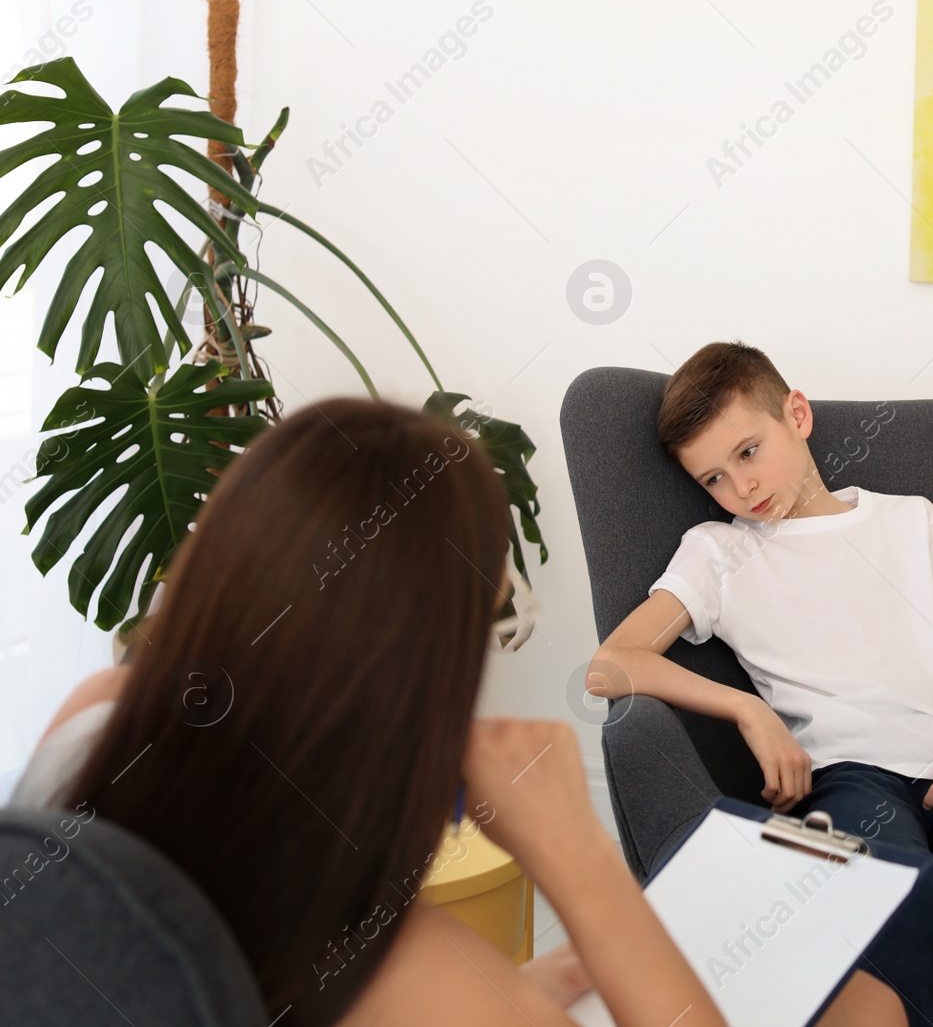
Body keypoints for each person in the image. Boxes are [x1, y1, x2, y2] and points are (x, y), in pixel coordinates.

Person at [10, 398, 888, 1026]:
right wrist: (578, 860)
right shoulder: (396, 969)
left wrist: (538, 982)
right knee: (864, 1007)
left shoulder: (98, 716)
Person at [589, 340, 933, 1027]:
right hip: (848, 777)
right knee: (892, 912)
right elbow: (612, 661)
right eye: (714, 479)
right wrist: (749, 712)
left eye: (749, 452)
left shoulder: (908, 519)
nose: (741, 488)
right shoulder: (718, 552)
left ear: (797, 413)